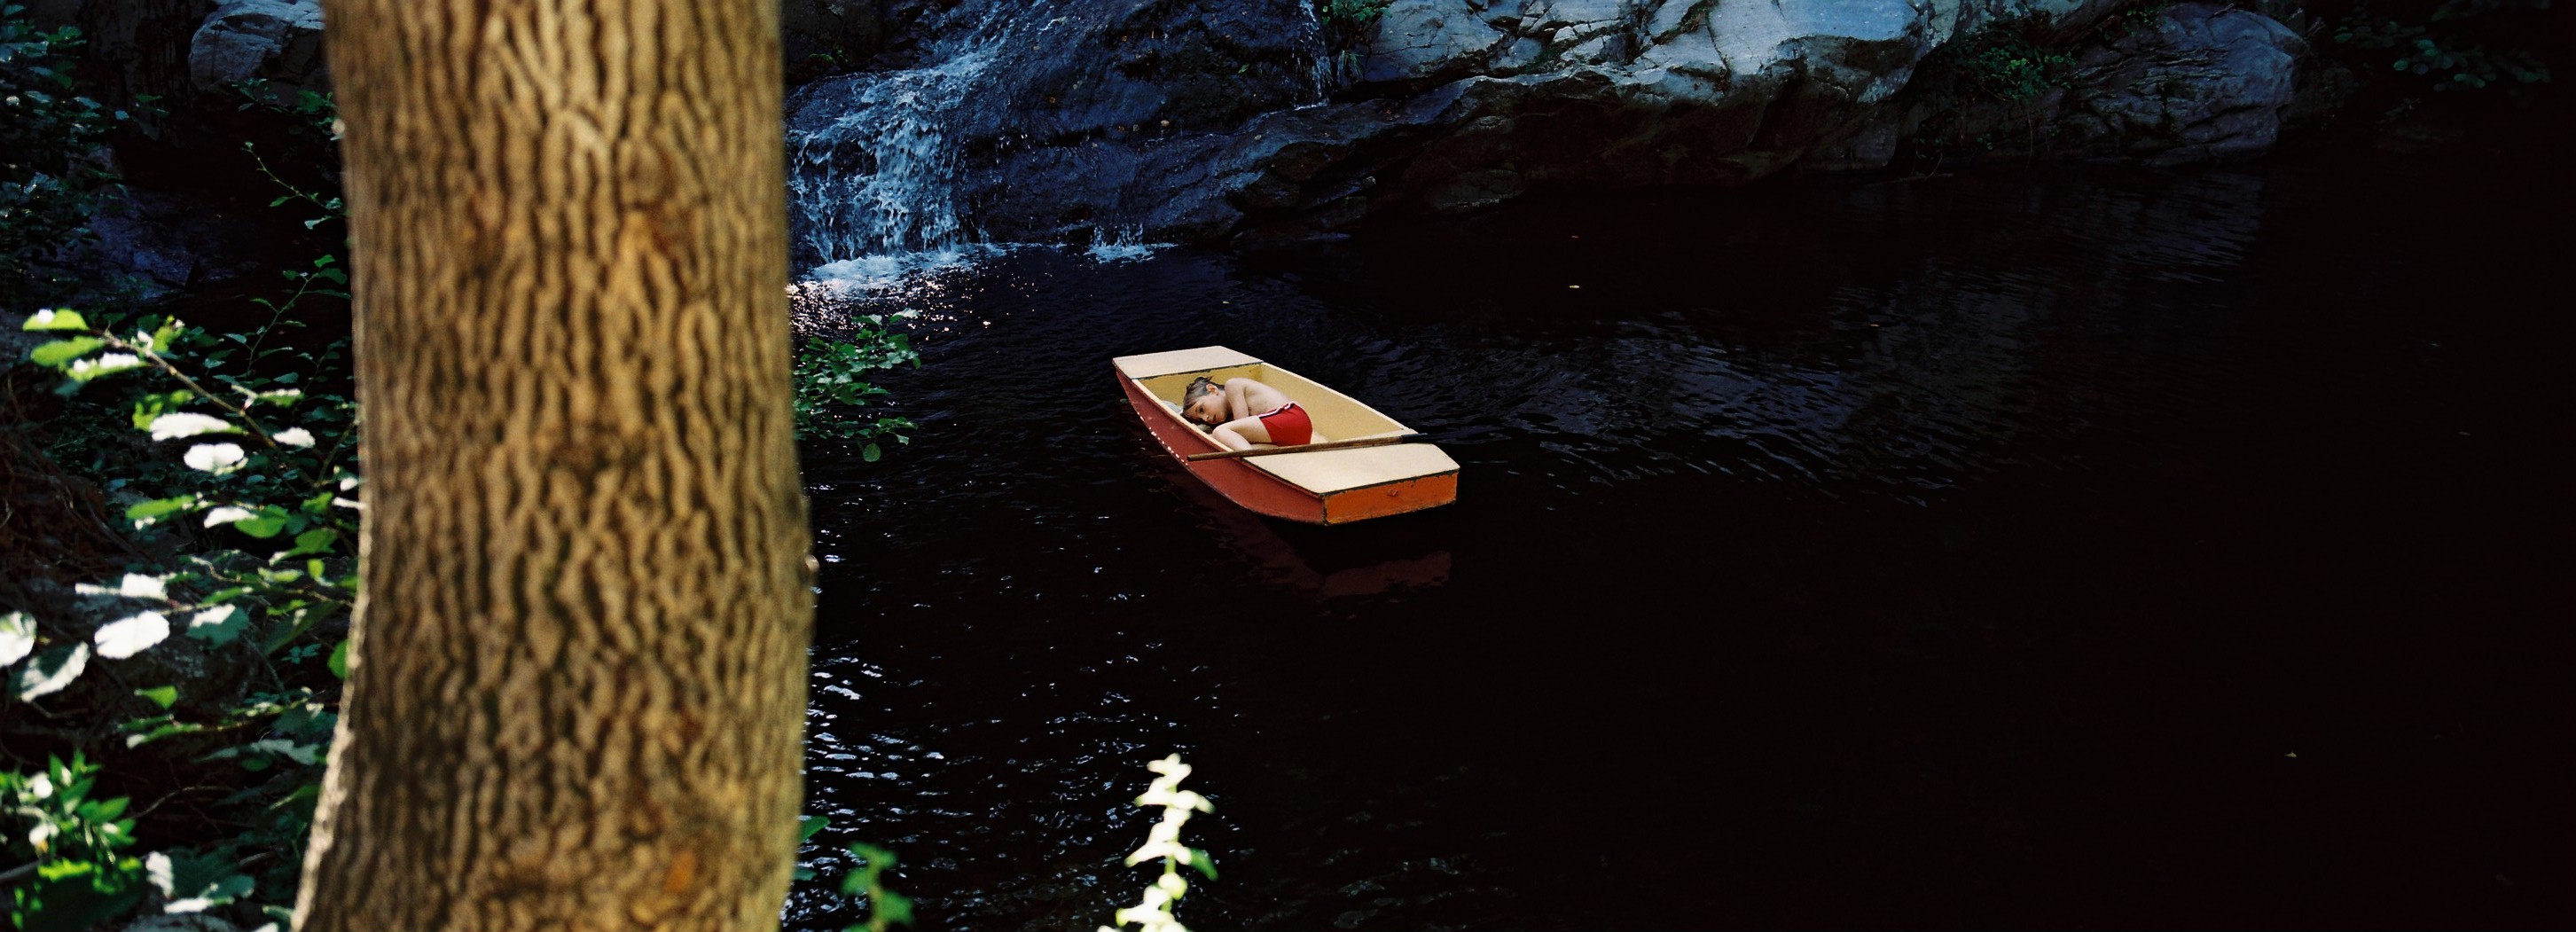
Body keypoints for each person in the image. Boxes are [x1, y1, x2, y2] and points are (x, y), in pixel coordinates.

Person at [1180, 375, 1313, 450]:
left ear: (1212, 389)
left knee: (1220, 433)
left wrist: (1210, 436)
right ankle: (1253, 459)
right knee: (1241, 443)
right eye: (1201, 419)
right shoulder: (1231, 417)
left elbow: (1239, 424)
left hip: (1290, 416)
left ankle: (1250, 465)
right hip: (1293, 438)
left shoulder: (1232, 386)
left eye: (1201, 409)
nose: (1206, 418)